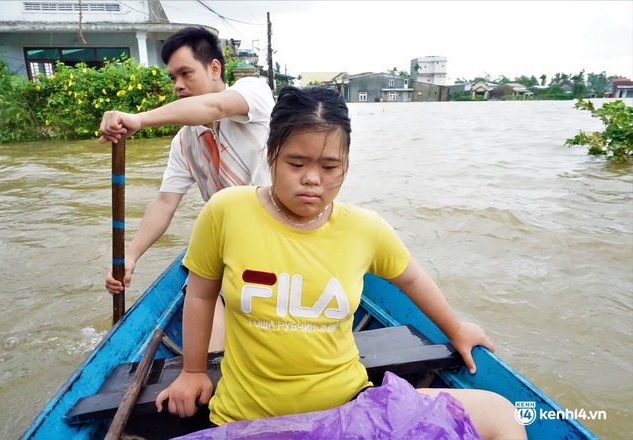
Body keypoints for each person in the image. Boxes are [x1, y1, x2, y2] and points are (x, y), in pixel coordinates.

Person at [154, 86, 527, 439]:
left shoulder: (364, 229)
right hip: (248, 421)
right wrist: (193, 370)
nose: (312, 179)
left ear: (346, 165)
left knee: (502, 414)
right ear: (271, 155)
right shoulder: (227, 211)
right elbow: (202, 295)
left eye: (330, 167)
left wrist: (456, 329)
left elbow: (412, 279)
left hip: (348, 413)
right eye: (296, 163)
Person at [98, 27, 274, 350]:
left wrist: (138, 119)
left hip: (279, 235)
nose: (178, 85)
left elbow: (215, 108)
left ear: (214, 69)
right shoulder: (185, 142)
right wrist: (130, 256)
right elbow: (165, 202)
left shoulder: (253, 93)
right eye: (172, 78)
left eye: (186, 73)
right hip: (232, 246)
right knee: (208, 322)